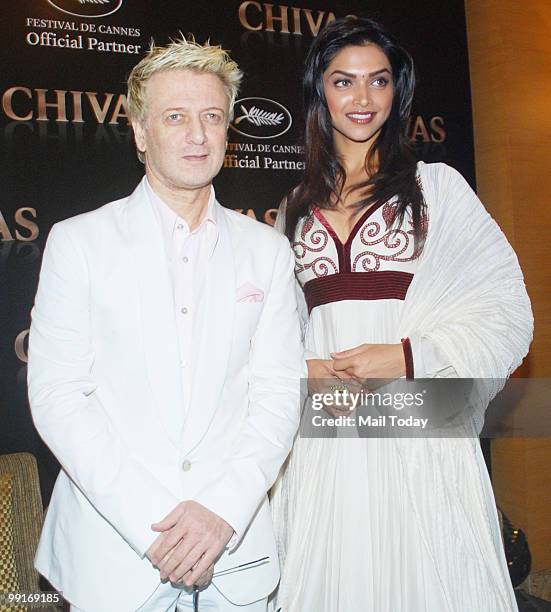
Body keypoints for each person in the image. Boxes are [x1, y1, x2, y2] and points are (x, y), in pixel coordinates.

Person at [27, 37, 303, 612]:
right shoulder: (79, 243)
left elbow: (278, 395)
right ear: (139, 131)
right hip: (113, 559)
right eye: (175, 117)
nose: (197, 135)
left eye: (212, 118)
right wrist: (158, 529)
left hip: (236, 557)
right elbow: (59, 396)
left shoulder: (267, 251)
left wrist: (221, 511)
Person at [270, 16, 533, 612]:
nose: (362, 99)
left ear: (397, 91)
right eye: (343, 82)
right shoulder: (295, 207)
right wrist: (302, 367)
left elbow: (505, 306)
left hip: (417, 416)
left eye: (378, 81)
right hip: (329, 427)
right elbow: (275, 326)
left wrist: (409, 356)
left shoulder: (435, 188)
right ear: (320, 92)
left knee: (423, 570)